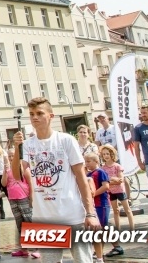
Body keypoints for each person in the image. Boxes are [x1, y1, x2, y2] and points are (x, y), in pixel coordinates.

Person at [11, 97, 99, 263]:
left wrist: (90, 213)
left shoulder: (66, 141)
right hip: (44, 217)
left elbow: (81, 178)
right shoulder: (28, 145)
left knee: (83, 260)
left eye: (39, 113)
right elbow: (17, 176)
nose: (34, 117)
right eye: (31, 114)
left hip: (72, 215)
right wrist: (17, 149)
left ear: (51, 116)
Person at [2, 148, 37, 259]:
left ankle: (38, 248)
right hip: (13, 199)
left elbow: (30, 183)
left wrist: (31, 198)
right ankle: (24, 249)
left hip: (23, 197)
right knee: (20, 224)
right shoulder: (8, 169)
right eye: (10, 156)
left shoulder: (23, 167)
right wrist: (4, 170)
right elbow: (3, 183)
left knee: (29, 222)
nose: (11, 158)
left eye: (13, 155)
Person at [84, 152, 109, 263]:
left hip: (101, 204)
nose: (87, 163)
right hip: (93, 205)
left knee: (101, 229)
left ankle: (100, 253)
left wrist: (92, 194)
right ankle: (96, 252)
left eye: (89, 161)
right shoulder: (87, 174)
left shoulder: (100, 172)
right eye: (86, 161)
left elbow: (106, 186)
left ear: (96, 161)